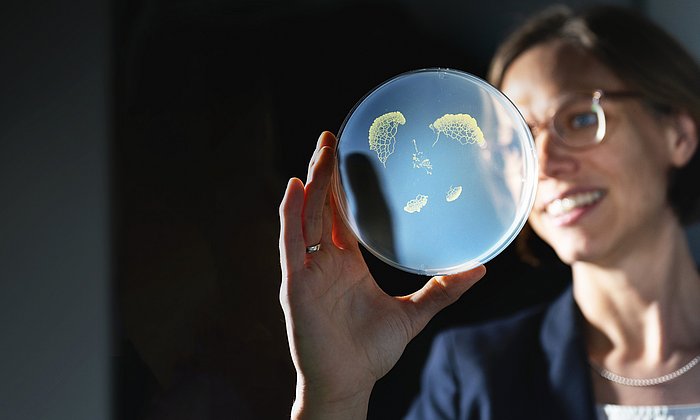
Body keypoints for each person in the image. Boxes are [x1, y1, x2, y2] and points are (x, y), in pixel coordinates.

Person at [278, 5, 700, 419]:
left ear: (678, 133)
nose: (545, 163)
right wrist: (334, 398)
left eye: (580, 120)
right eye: (519, 142)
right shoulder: (474, 375)